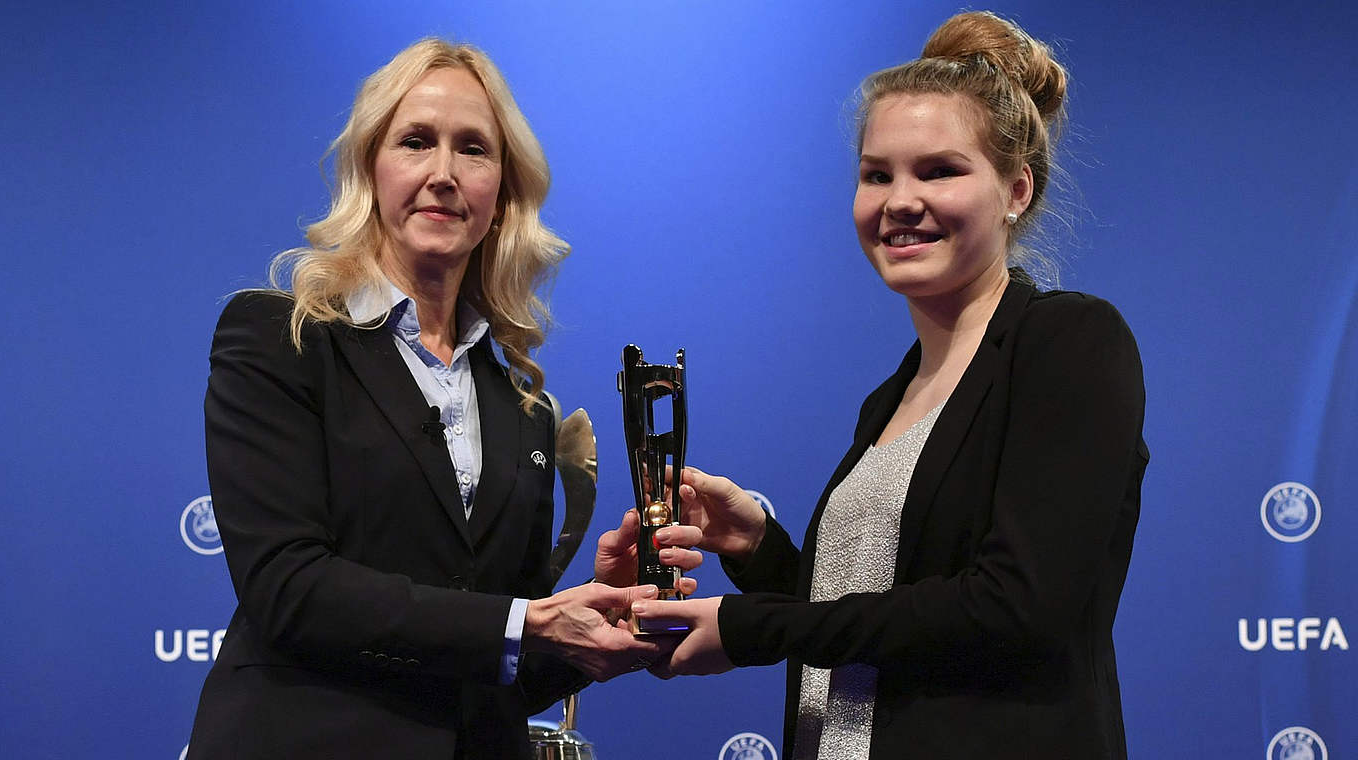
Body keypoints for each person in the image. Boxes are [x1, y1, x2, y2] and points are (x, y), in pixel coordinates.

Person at [633, 11, 1149, 759]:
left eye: (939, 170)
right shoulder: (893, 395)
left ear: (1016, 190)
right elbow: (881, 605)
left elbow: (1014, 609)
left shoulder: (1068, 342)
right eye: (877, 174)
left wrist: (750, 630)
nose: (899, 200)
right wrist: (757, 548)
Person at [186, 39, 699, 759]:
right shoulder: (280, 337)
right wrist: (527, 622)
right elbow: (288, 588)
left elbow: (495, 674)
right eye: (416, 142)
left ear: (503, 193)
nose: (443, 175)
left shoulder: (520, 400)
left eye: (474, 150)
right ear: (371, 166)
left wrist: (588, 613)